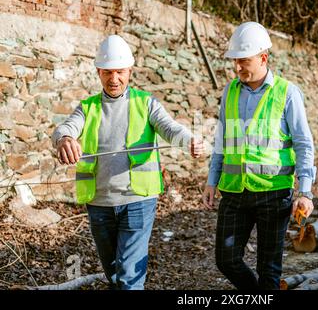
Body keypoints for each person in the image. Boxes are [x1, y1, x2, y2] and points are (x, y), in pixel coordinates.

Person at [52, 35, 204, 290]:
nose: (114, 79)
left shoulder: (146, 103)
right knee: (113, 273)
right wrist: (64, 139)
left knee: (129, 278)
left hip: (138, 201)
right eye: (108, 72)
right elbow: (64, 129)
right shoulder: (87, 108)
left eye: (120, 72)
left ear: (129, 71)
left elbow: (170, 128)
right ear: (99, 72)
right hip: (99, 204)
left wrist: (188, 140)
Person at [202, 22, 316, 290]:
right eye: (235, 62)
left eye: (244, 61)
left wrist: (306, 191)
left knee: (269, 269)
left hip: (273, 194)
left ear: (263, 58)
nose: (238, 67)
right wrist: (211, 179)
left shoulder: (287, 93)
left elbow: (304, 144)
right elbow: (222, 140)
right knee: (226, 260)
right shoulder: (230, 91)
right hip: (234, 192)